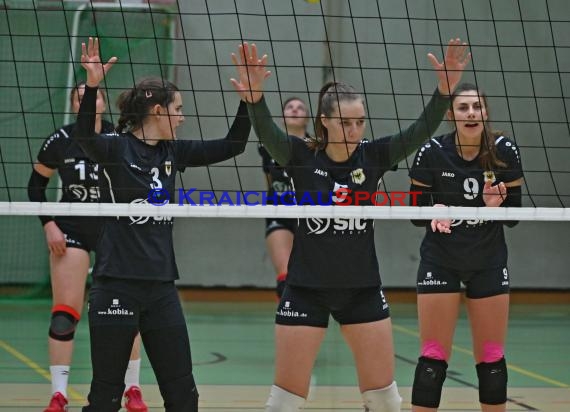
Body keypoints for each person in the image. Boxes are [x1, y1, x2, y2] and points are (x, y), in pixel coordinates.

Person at [231, 40, 470, 411]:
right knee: (283, 402)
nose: (355, 129)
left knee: (386, 401)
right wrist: (255, 99)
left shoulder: (374, 155)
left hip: (361, 289)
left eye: (360, 121)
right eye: (346, 122)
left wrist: (445, 91)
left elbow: (420, 131)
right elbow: (266, 133)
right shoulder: (299, 156)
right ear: (324, 121)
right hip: (305, 289)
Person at [73, 37, 251, 411]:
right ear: (157, 110)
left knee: (183, 396)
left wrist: (250, 101)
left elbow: (233, 145)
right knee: (105, 396)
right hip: (116, 284)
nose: (183, 116)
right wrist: (91, 87)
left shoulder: (174, 152)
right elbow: (84, 137)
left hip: (160, 289)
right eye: (178, 108)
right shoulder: (115, 147)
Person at [28, 82, 148, 412]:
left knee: (127, 311)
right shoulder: (60, 140)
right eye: (79, 97)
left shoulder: (120, 138)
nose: (87, 100)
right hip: (72, 229)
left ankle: (133, 389)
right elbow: (36, 184)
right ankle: (59, 394)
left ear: (104, 103)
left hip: (114, 230)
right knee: (64, 316)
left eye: (92, 95)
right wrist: (48, 223)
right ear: (73, 105)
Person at [408, 83, 524, 412]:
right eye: (463, 107)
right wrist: (433, 210)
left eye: (476, 106)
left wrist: (494, 208)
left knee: (492, 360)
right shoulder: (432, 150)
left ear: (485, 113)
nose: (471, 112)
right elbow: (415, 215)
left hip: (487, 260)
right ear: (451, 114)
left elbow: (514, 218)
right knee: (432, 359)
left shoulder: (504, 151)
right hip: (440, 260)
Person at [258, 97, 310, 297]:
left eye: (300, 108)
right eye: (290, 107)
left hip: (309, 216)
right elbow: (269, 180)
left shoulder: (318, 148)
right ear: (282, 118)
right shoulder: (268, 147)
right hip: (278, 214)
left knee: (309, 278)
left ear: (307, 118)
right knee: (286, 279)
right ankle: (288, 323)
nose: (295, 110)